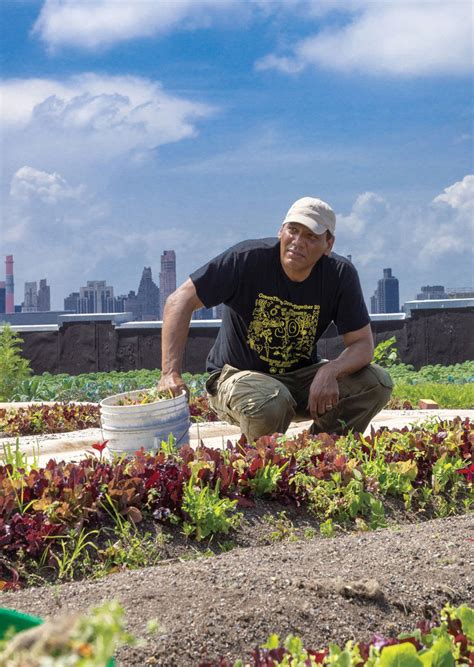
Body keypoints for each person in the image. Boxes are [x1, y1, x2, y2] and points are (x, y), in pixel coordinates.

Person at [158, 196, 393, 441]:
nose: (298, 242)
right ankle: (263, 461)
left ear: (328, 244)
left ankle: (319, 449)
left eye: (311, 236)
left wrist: (330, 371)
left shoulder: (340, 275)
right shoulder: (247, 259)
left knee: (376, 382)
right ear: (281, 230)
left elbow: (362, 344)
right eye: (293, 230)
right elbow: (179, 302)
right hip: (236, 377)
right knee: (271, 399)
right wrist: (169, 373)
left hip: (300, 379)